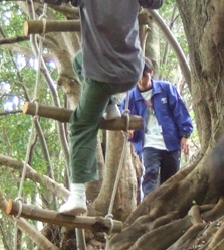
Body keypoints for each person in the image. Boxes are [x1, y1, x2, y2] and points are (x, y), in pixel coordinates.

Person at [58, 0, 164, 215]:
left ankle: (77, 195)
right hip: (133, 72)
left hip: (102, 76)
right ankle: (110, 106)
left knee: (81, 125)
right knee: (79, 59)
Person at [123, 57, 193, 200]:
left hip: (171, 142)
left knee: (171, 179)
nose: (142, 80)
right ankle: (147, 208)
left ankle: (168, 212)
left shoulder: (166, 89)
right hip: (148, 142)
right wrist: (128, 127)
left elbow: (179, 111)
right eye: (138, 76)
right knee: (150, 173)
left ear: (151, 73)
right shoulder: (130, 96)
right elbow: (122, 114)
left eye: (145, 76)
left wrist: (185, 135)